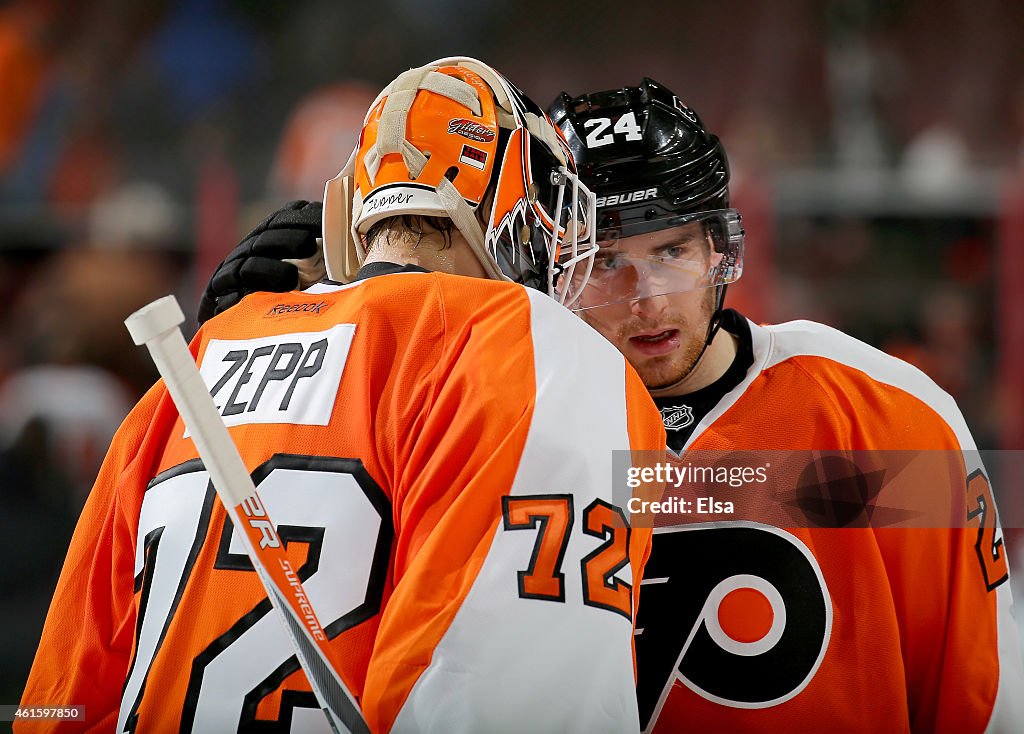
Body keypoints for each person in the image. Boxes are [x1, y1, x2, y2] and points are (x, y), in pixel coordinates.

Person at [200, 77, 1024, 733]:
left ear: (719, 248)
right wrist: (288, 352)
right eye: (602, 262)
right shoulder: (496, 413)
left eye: (673, 250)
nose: (647, 299)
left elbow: (983, 703)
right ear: (539, 258)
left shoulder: (884, 414)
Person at [19, 58, 666, 733]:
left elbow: (57, 698)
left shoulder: (195, 364)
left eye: (671, 250)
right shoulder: (535, 352)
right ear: (505, 199)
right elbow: (502, 706)